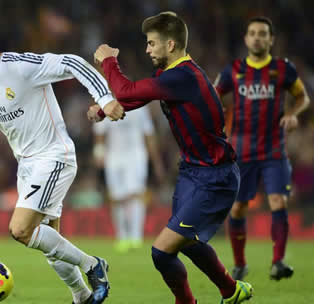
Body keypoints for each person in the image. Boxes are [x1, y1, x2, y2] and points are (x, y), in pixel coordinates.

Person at [0, 20, 123, 304]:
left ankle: (93, 265)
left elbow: (73, 63)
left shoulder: (21, 66)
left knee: (20, 230)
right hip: (27, 166)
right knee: (51, 245)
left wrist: (104, 98)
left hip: (54, 156)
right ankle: (81, 296)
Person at [89, 12, 253, 304]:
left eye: (152, 43)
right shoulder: (170, 77)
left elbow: (126, 90)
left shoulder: (183, 77)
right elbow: (133, 98)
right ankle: (231, 290)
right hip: (193, 172)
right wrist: (103, 109)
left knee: (161, 251)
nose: (147, 49)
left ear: (172, 45)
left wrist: (109, 60)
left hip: (215, 177)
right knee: (188, 243)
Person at [214, 16, 310, 281]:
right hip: (242, 149)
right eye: (253, 33)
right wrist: (216, 111)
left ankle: (278, 262)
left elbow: (303, 97)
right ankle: (240, 264)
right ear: (246, 39)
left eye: (263, 33)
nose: (257, 37)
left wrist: (292, 113)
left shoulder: (282, 69)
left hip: (273, 149)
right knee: (238, 209)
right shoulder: (233, 70)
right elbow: (214, 94)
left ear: (271, 39)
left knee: (278, 201)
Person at [92, 105, 165, 252]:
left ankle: (136, 237)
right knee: (116, 197)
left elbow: (148, 135)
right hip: (113, 157)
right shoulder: (107, 106)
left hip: (136, 156)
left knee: (136, 194)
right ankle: (122, 237)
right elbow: (99, 133)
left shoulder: (139, 108)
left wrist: (157, 162)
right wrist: (99, 153)